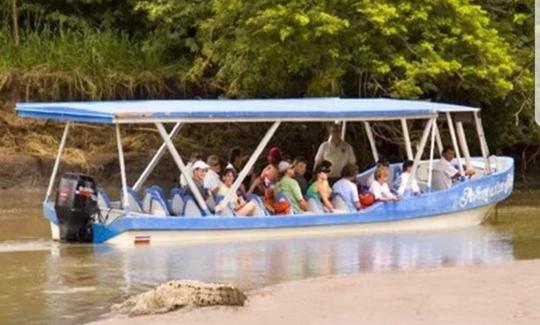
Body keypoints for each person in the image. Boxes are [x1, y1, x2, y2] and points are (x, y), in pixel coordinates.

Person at [248, 146, 281, 212]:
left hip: (272, 200)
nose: (268, 157)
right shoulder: (270, 168)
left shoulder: (274, 170)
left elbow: (267, 186)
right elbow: (262, 183)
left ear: (273, 158)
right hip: (267, 196)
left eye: (269, 156)